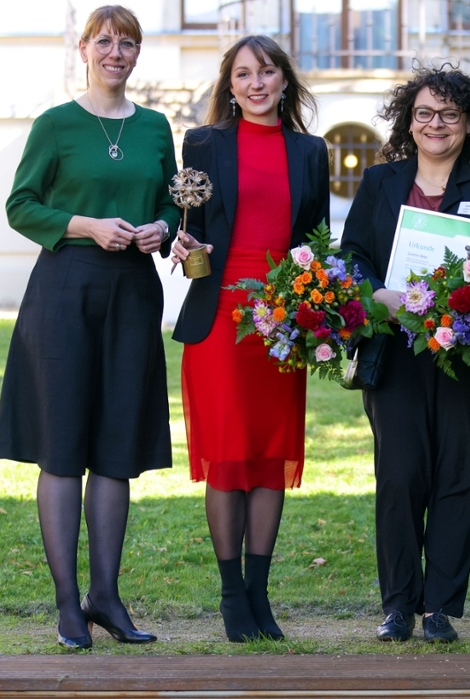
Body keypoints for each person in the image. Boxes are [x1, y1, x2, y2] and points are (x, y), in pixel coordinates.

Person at [0, 5, 179, 649]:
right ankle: (68, 605)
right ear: (84, 48)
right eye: (105, 40)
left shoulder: (157, 128)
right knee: (63, 445)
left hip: (132, 293)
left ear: (136, 55)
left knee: (115, 447)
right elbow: (21, 204)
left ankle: (107, 596)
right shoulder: (56, 125)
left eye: (128, 43)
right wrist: (87, 225)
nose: (116, 52)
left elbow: (167, 203)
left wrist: (163, 230)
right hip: (64, 291)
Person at [340, 67, 470, 644]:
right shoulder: (380, 181)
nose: (435, 124)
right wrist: (379, 294)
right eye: (424, 113)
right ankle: (398, 605)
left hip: (465, 355)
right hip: (395, 350)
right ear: (408, 122)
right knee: (399, 477)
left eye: (448, 114)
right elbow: (354, 255)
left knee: (455, 476)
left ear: (468, 122)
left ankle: (440, 606)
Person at [170, 36, 328, 642]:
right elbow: (190, 224)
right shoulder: (205, 143)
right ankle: (231, 593)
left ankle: (261, 594)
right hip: (221, 318)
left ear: (284, 81)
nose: (255, 84)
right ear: (229, 86)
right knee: (229, 454)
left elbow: (315, 237)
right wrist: (183, 246)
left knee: (269, 454)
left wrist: (316, 303)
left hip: (282, 320)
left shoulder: (310, 151)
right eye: (243, 74)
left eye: (266, 73)